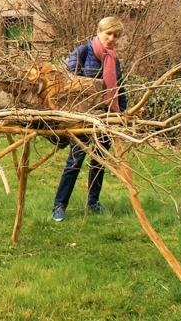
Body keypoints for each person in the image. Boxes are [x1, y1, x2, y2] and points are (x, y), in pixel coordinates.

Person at [51, 16, 128, 222]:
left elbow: (119, 88)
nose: (111, 38)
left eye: (115, 35)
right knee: (74, 162)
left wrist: (123, 112)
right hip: (83, 118)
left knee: (99, 161)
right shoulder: (82, 53)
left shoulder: (113, 59)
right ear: (98, 31)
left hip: (106, 117)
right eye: (108, 34)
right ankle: (59, 205)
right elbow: (69, 85)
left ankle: (93, 202)